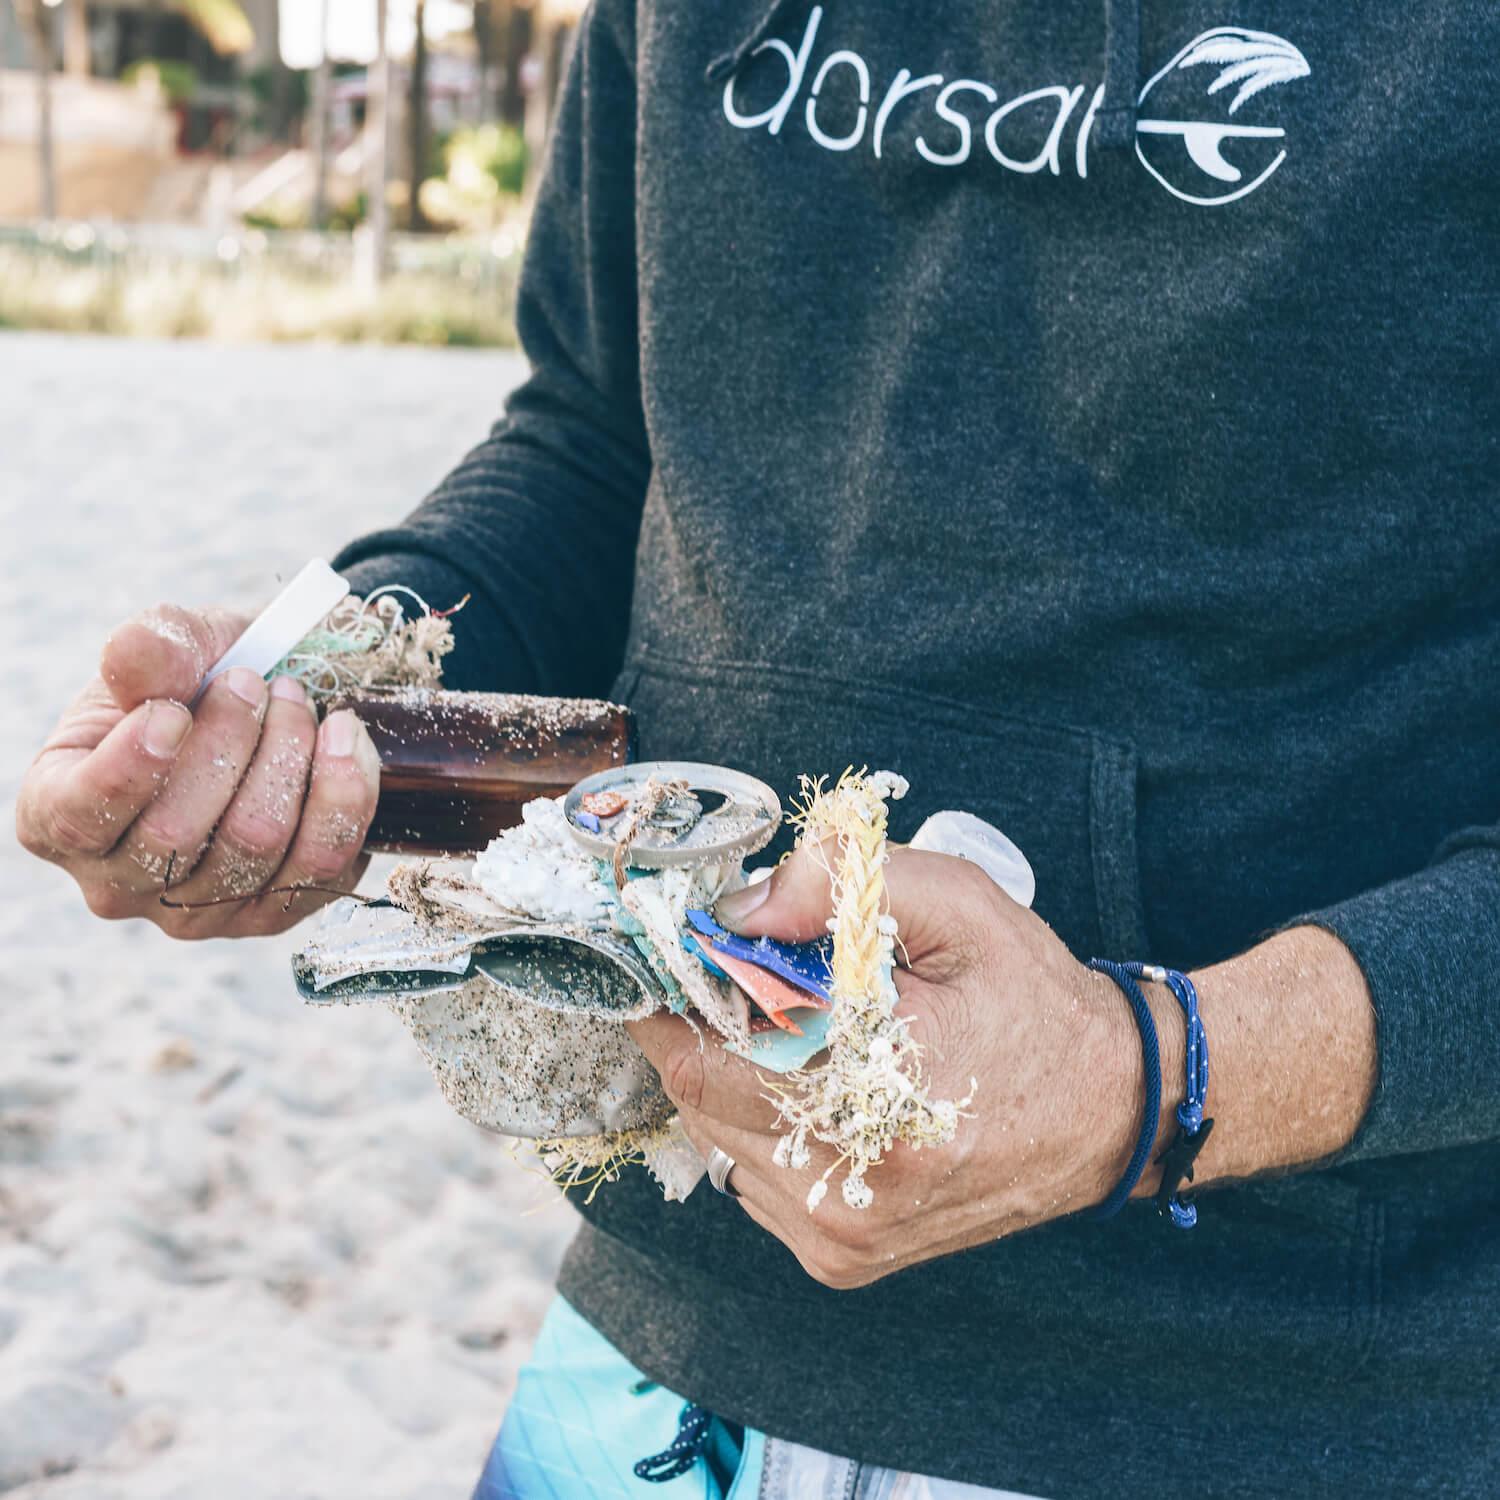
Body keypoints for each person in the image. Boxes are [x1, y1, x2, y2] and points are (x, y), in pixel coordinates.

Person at [17, 2, 1499, 1495]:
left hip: (1304, 1387)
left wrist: (1149, 1076)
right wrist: (326, 711)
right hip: (675, 1304)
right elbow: (602, 435)